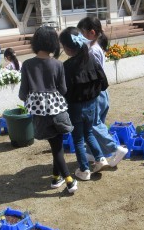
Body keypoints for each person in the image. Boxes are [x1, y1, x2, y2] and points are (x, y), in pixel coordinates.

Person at [18, 26, 77, 193]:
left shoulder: (27, 65)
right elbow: (63, 89)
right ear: (53, 43)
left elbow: (23, 93)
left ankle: (56, 178)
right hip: (57, 110)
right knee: (57, 146)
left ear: (35, 43)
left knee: (56, 146)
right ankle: (69, 180)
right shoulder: (58, 64)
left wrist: (32, 98)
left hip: (40, 114)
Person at [60, 27, 110, 181]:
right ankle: (101, 159)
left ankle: (84, 169)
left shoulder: (67, 66)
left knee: (78, 139)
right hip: (92, 104)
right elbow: (104, 83)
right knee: (89, 133)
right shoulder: (92, 59)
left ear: (67, 48)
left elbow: (63, 90)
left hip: (75, 107)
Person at [77, 16, 128, 167]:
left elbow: (88, 73)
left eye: (82, 33)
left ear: (92, 33)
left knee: (93, 124)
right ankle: (92, 153)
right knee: (97, 125)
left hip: (95, 93)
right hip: (101, 92)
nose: (80, 36)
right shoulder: (96, 47)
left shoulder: (91, 51)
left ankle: (115, 149)